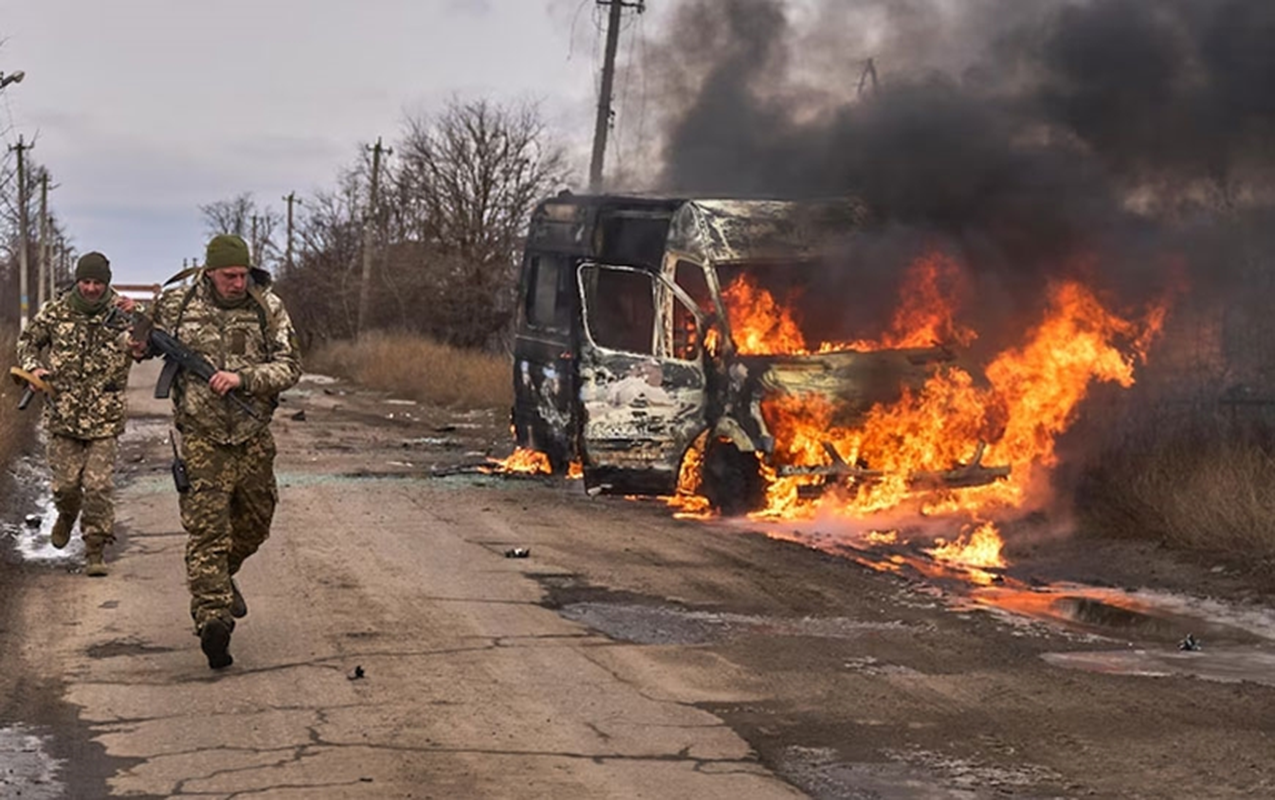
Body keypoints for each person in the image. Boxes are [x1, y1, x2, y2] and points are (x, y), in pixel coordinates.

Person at [136, 234, 300, 670]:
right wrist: (136, 341)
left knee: (255, 524)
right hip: (202, 437)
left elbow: (290, 367)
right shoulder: (176, 304)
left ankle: (220, 580)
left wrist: (242, 378)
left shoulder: (268, 307)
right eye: (229, 275)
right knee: (208, 532)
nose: (237, 282)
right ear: (210, 272)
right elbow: (138, 345)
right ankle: (213, 620)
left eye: (243, 274)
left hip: (252, 434)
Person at [15, 252, 136, 576]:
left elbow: (150, 341)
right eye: (86, 281)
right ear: (78, 280)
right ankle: (67, 514)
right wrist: (33, 367)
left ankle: (94, 549)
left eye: (98, 282)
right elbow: (28, 341)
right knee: (65, 487)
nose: (92, 288)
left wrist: (140, 318)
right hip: (63, 414)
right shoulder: (56, 312)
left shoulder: (123, 314)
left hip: (104, 418)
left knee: (98, 487)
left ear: (107, 283)